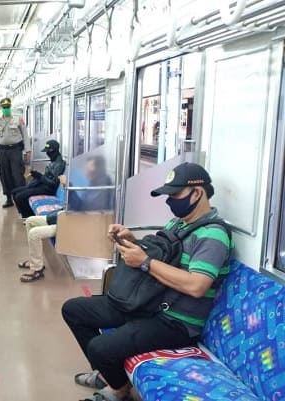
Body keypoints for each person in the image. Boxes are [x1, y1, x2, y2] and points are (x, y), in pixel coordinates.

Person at [61, 162, 231, 401]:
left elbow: (197, 285)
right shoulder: (179, 223)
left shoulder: (213, 235)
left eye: (175, 194)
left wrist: (144, 262)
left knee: (100, 347)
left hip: (177, 323)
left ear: (198, 192)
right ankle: (110, 375)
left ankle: (118, 389)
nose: (170, 201)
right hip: (152, 305)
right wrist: (132, 241)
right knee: (74, 310)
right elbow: (162, 255)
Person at [18, 157, 113, 282]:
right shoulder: (95, 182)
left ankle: (36, 270)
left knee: (34, 234)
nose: (86, 170)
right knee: (31, 221)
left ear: (97, 169)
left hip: (76, 224)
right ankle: (35, 262)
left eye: (89, 167)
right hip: (70, 218)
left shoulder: (102, 186)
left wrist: (67, 185)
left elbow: (82, 208)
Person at [12, 139, 66, 218]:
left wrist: (39, 176)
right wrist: (36, 175)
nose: (47, 154)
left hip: (48, 189)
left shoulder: (59, 164)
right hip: (42, 185)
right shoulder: (54, 161)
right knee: (15, 192)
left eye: (48, 151)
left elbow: (53, 183)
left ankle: (28, 217)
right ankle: (25, 214)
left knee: (20, 196)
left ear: (53, 151)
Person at [0, 97, 29, 208]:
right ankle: (8, 198)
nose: (6, 109)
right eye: (4, 107)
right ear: (1, 108)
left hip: (15, 150)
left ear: (10, 107)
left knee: (17, 174)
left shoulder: (18, 118)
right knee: (5, 175)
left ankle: (21, 196)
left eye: (7, 107)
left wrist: (28, 150)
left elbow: (25, 135)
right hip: (3, 151)